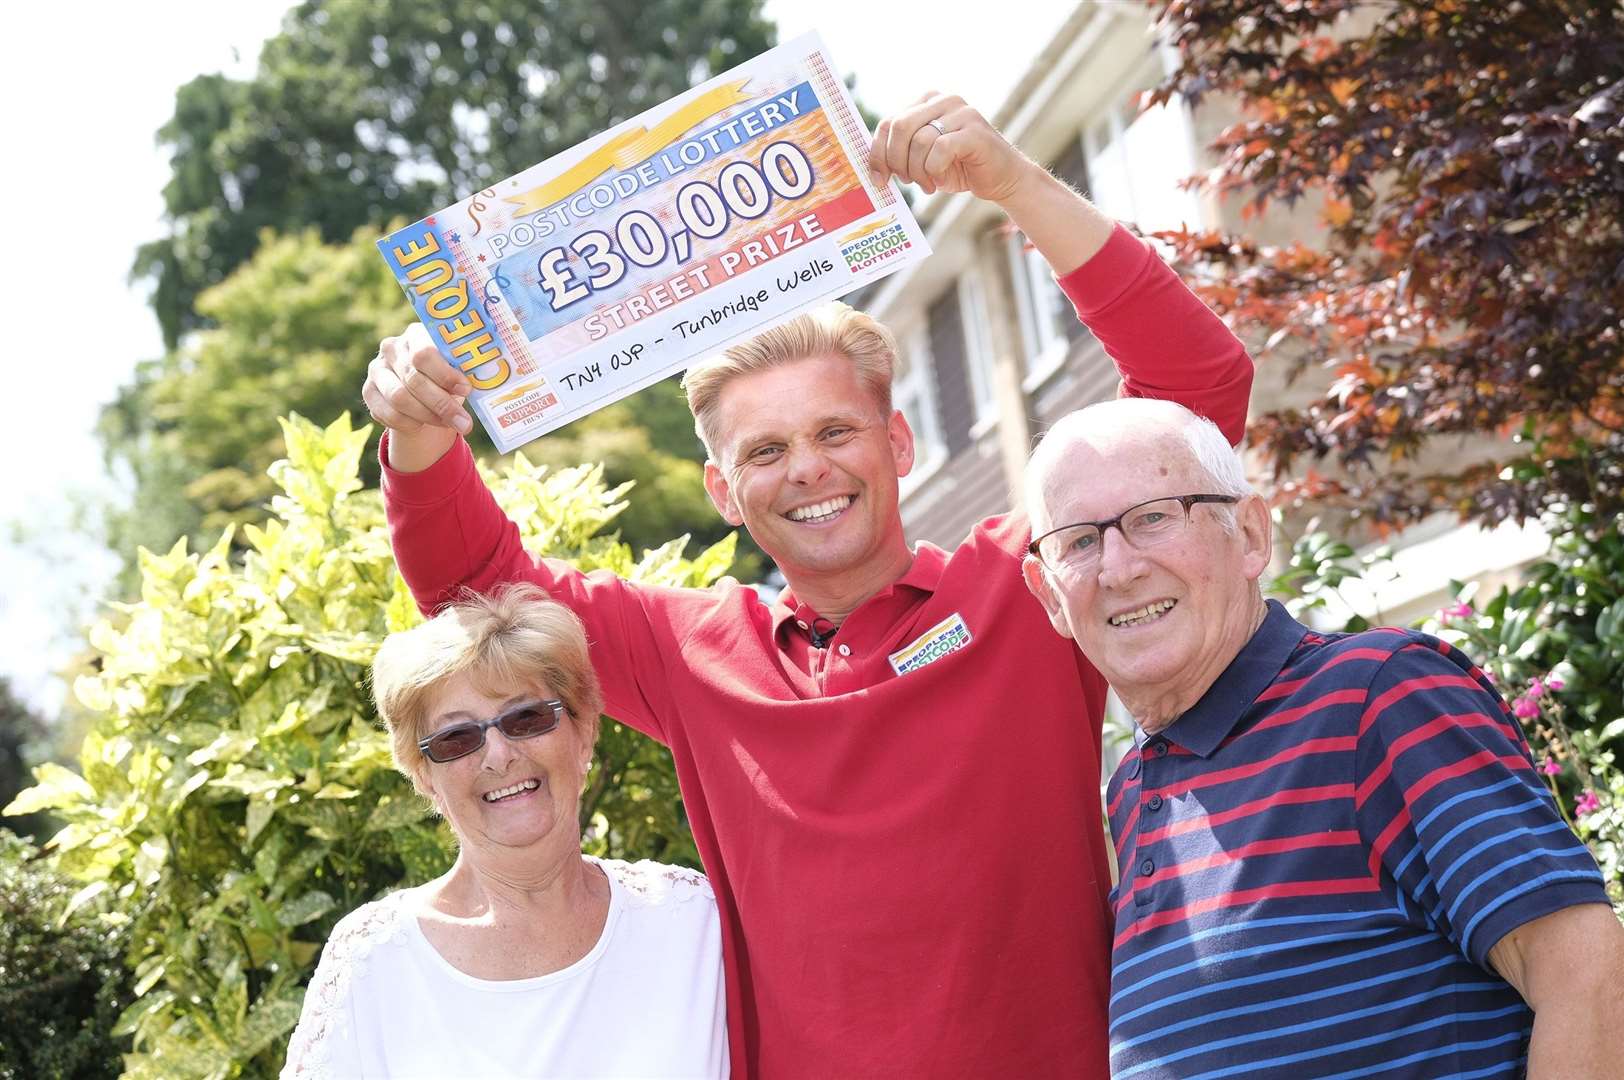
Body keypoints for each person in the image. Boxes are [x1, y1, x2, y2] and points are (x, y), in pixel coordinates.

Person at [362, 92, 1255, 1077]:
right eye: (767, 450)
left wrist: (1009, 183)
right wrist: (421, 424)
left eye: (835, 432)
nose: (808, 469)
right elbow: (471, 585)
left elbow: (1194, 403)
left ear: (898, 442)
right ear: (725, 492)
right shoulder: (689, 653)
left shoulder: (1031, 585)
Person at [1020, 397, 1624, 1079]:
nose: (1118, 568)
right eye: (1079, 541)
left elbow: (1589, 984)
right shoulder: (1131, 795)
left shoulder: (1379, 696)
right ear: (1048, 596)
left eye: (1153, 518)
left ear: (1249, 534)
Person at [281, 584, 727, 1079]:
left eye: (526, 718)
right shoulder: (377, 962)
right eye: (456, 738)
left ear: (584, 733)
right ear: (424, 776)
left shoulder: (690, 923)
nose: (498, 755)